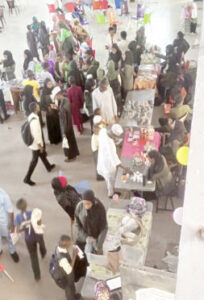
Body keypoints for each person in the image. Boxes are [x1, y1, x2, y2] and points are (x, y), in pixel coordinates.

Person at [24, 102, 55, 185]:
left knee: (42, 155)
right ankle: (27, 178)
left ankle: (48, 167)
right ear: (35, 109)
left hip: (34, 143)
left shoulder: (31, 116)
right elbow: (36, 134)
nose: (39, 107)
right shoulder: (34, 121)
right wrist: (40, 145)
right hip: (35, 144)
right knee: (34, 160)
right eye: (38, 106)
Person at [15, 198, 46, 281]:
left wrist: (23, 228)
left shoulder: (18, 218)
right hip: (38, 234)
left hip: (29, 239)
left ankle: (37, 276)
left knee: (33, 256)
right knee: (42, 245)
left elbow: (18, 230)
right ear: (26, 204)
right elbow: (39, 222)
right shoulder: (33, 213)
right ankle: (43, 253)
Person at [97, 124, 131, 197]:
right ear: (113, 134)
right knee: (110, 180)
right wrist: (126, 169)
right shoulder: (110, 145)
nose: (116, 138)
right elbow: (115, 161)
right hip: (108, 164)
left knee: (107, 178)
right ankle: (111, 194)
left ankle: (110, 189)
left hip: (102, 158)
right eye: (116, 136)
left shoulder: (103, 131)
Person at [52, 87, 80, 162]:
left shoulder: (64, 102)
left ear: (58, 95)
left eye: (56, 96)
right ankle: (73, 154)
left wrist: (64, 131)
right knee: (71, 140)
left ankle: (71, 156)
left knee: (68, 142)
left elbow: (64, 117)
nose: (56, 98)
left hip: (65, 126)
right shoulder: (65, 100)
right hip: (68, 125)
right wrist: (58, 108)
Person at [52, 235, 81, 300]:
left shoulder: (59, 247)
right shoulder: (62, 259)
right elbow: (69, 269)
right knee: (69, 289)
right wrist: (74, 256)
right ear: (65, 245)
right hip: (65, 277)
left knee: (72, 285)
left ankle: (74, 295)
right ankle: (71, 298)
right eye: (69, 244)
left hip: (66, 272)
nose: (70, 244)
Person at [0, 188, 19, 262]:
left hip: (4, 221)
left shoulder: (3, 196)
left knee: (10, 236)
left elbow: (10, 211)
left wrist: (12, 225)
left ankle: (12, 251)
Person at [40, 79, 61, 144]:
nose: (50, 85)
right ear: (46, 85)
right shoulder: (43, 93)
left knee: (57, 125)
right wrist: (47, 108)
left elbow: (58, 99)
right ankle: (54, 140)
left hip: (56, 111)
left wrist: (57, 105)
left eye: (51, 83)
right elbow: (41, 104)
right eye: (48, 84)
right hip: (49, 113)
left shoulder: (54, 90)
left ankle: (59, 138)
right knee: (52, 126)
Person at [91, 115, 105, 180]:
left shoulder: (98, 131)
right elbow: (96, 147)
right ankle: (99, 177)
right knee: (98, 163)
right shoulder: (94, 137)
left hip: (100, 150)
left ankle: (102, 174)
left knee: (102, 163)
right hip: (96, 152)